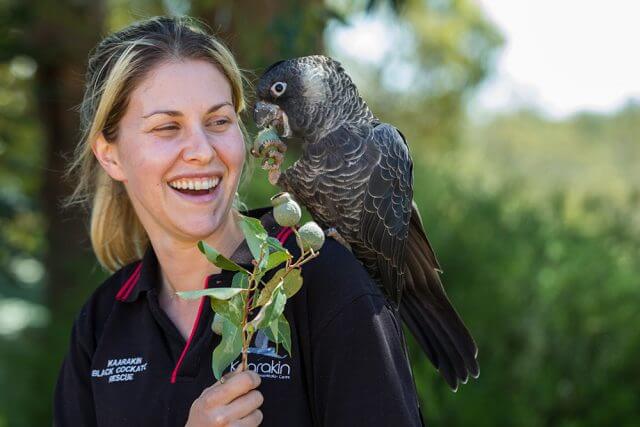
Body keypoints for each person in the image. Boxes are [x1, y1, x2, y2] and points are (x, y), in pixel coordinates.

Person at [53, 15, 425, 427]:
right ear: (110, 155)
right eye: (167, 127)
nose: (202, 150)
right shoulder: (102, 322)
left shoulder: (327, 283)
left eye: (218, 122)